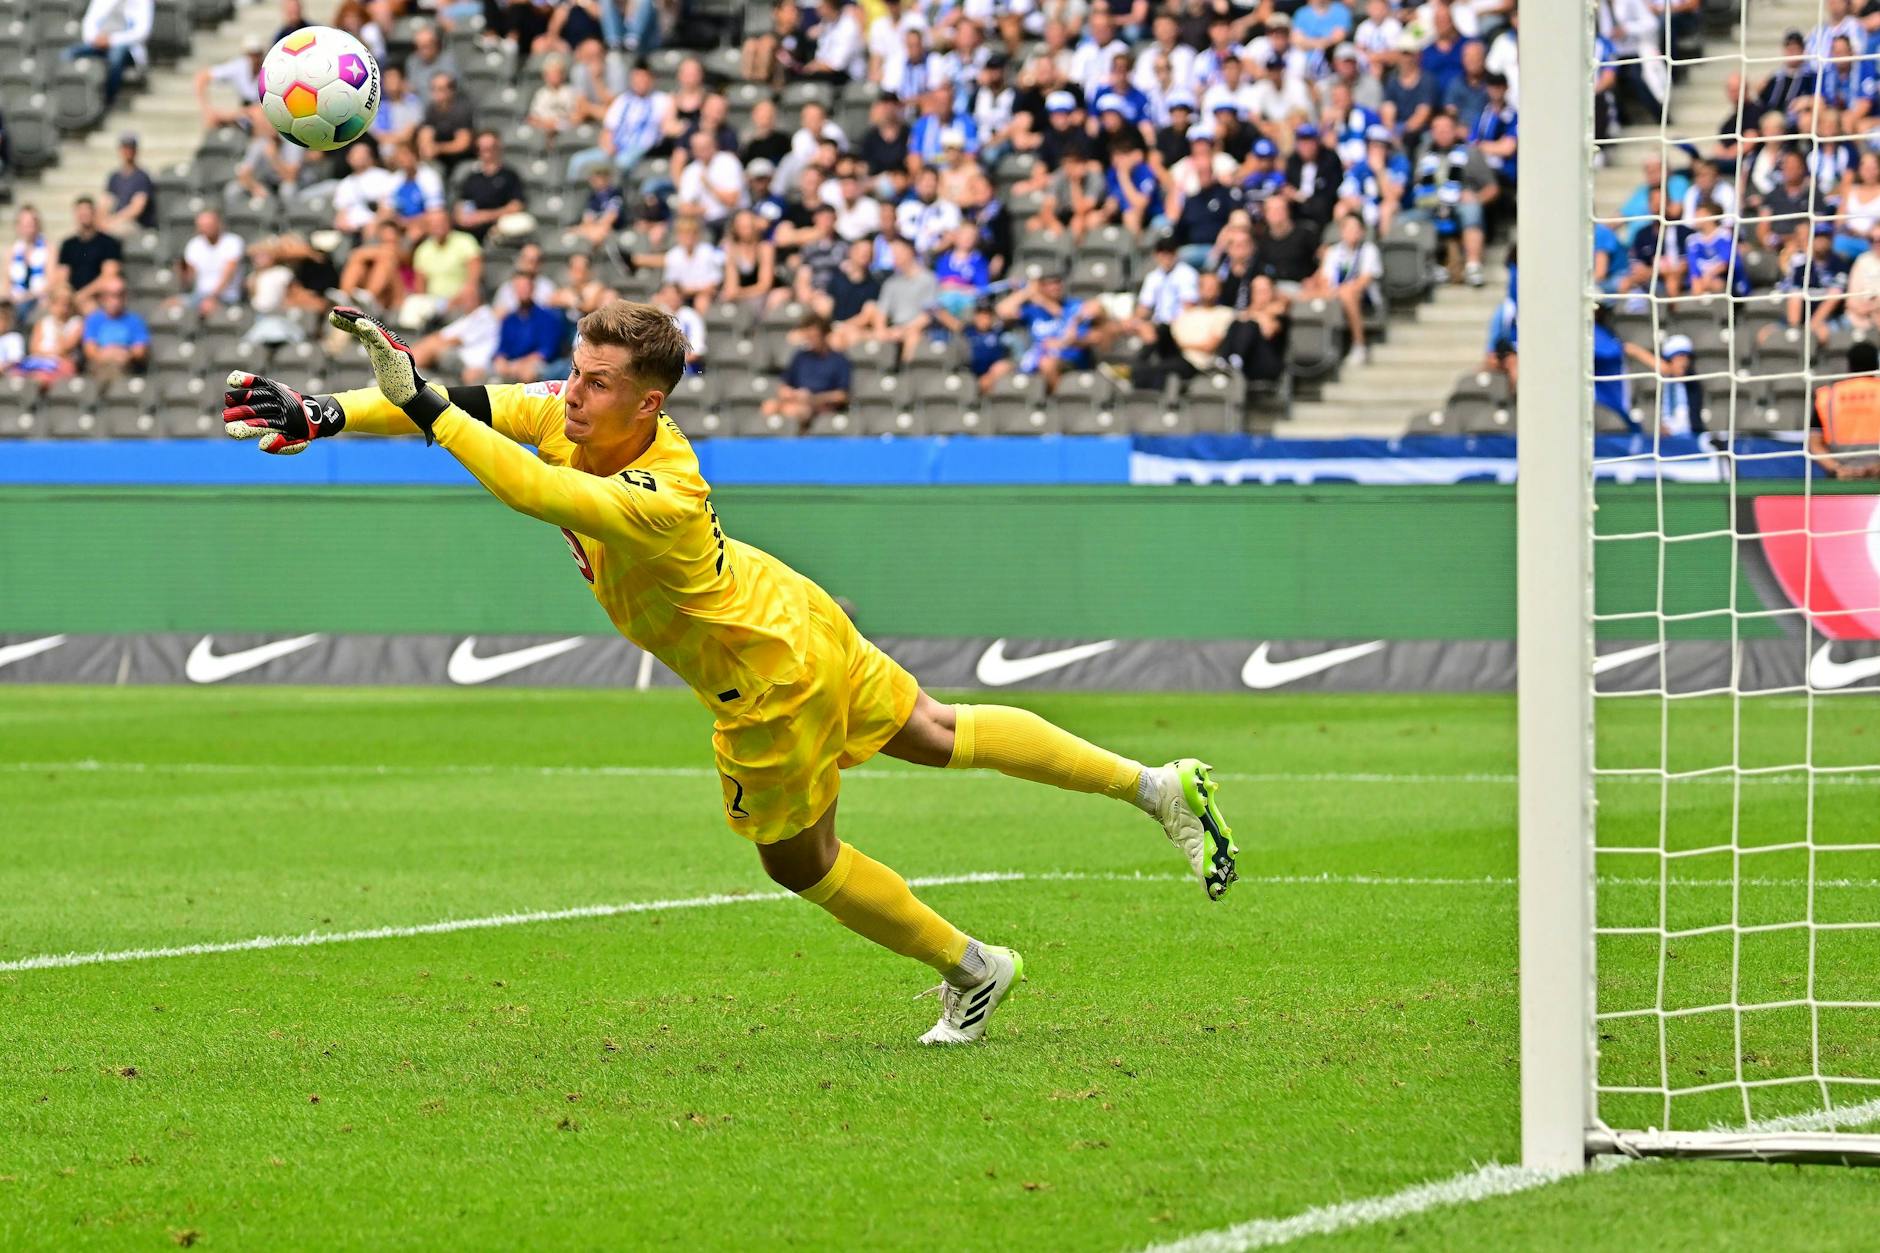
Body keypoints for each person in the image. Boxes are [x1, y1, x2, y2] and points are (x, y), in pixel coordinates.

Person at [222, 301, 1240, 1045]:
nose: (571, 394)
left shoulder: (658, 489)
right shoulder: (580, 416)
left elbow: (525, 486)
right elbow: (477, 404)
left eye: (596, 382)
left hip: (763, 680)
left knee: (796, 860)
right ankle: (1155, 785)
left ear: (648, 401)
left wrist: (435, 412)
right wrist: (327, 414)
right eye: (574, 372)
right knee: (933, 728)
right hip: (788, 605)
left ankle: (973, 969)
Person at [1304, 213, 1383, 361]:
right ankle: (1311, 346)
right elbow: (1325, 279)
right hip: (1334, 294)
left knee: (1348, 293)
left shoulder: (1369, 250)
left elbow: (1364, 280)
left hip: (1364, 298)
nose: (1351, 232)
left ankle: (1359, 344)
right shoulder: (1333, 251)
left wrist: (1339, 291)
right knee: (1306, 294)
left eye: (1355, 228)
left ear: (1362, 231)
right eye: (1347, 228)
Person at [763, 315, 852, 431]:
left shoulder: (839, 360)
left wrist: (813, 398)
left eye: (814, 337)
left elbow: (841, 396)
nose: (811, 341)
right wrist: (791, 394)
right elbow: (784, 386)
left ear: (824, 335)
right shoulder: (800, 357)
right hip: (796, 400)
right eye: (808, 337)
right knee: (769, 406)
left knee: (793, 411)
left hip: (821, 407)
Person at [1810, 340, 1880, 479]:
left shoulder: (1828, 396)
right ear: (1876, 364)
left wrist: (1838, 469)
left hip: (1841, 478)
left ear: (1849, 365)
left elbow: (1814, 443)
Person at [490, 273, 574, 382]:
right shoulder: (509, 320)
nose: (522, 291)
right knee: (494, 375)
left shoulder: (548, 317)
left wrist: (520, 364)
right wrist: (500, 360)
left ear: (532, 289)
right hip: (512, 364)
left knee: (528, 373)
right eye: (519, 288)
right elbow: (502, 348)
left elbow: (546, 351)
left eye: (526, 287)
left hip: (540, 365)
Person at [66, 0, 151, 106]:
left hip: (127, 48)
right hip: (98, 44)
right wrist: (97, 39)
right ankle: (69, 97)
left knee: (116, 56)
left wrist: (111, 40)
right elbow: (89, 24)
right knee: (69, 54)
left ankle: (108, 101)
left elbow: (142, 32)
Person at [56, 197, 124, 310]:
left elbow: (108, 275)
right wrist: (69, 295)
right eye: (80, 212)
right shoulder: (68, 244)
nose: (84, 216)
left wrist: (83, 294)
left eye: (87, 212)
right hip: (72, 297)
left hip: (96, 297)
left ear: (94, 214)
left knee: (90, 308)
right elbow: (62, 275)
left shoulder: (109, 243)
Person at [79, 278, 149, 385]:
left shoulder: (134, 321)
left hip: (125, 364)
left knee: (115, 369)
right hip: (99, 364)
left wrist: (125, 354)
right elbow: (89, 350)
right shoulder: (94, 320)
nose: (115, 300)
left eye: (120, 295)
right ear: (102, 298)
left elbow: (140, 351)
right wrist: (106, 354)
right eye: (110, 295)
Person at [177, 209, 245, 316]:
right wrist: (182, 272)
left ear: (219, 224)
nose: (206, 228)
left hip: (226, 296)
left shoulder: (233, 242)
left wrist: (213, 297)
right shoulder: (194, 244)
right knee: (170, 306)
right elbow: (190, 276)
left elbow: (228, 274)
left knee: (206, 307)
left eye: (209, 225)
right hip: (199, 295)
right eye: (202, 225)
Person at [6, 207, 52, 325]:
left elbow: (51, 280)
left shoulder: (48, 248)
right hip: (16, 300)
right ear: (18, 226)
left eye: (32, 223)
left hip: (38, 300)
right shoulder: (13, 250)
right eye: (25, 224)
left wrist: (29, 296)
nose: (29, 228)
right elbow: (7, 281)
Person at [103, 135, 157, 234]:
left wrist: (114, 220)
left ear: (136, 151)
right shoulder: (114, 177)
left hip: (136, 225)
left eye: (131, 148)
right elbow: (105, 203)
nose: (128, 151)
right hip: (115, 222)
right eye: (125, 148)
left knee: (115, 231)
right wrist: (101, 221)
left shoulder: (142, 177)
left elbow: (137, 208)